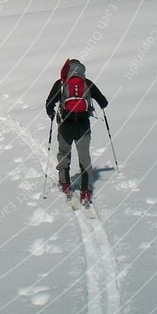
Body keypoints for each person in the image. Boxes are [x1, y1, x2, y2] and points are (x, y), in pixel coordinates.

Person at [45, 58, 108, 204]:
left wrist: (51, 113)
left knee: (64, 154)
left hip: (65, 125)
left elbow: (49, 103)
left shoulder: (61, 83)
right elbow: (104, 102)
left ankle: (65, 184)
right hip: (83, 125)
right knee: (84, 157)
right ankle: (86, 192)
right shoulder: (87, 83)